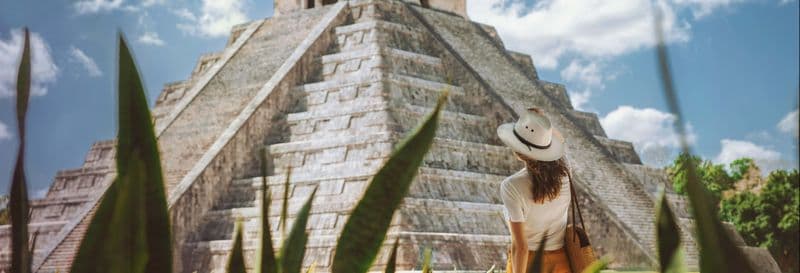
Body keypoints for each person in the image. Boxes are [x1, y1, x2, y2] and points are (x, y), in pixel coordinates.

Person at [497, 107, 571, 273]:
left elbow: (521, 247)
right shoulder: (566, 174)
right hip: (561, 264)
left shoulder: (511, 186)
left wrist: (533, 121)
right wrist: (541, 126)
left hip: (528, 264)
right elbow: (561, 141)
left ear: (518, 151)